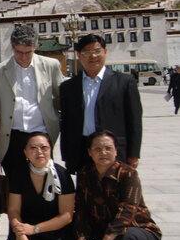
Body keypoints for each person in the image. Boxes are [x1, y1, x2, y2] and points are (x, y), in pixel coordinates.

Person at [74, 130, 161, 240]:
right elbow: (81, 209)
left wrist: (108, 238)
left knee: (126, 239)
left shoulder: (128, 173)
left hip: (138, 230)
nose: (103, 153)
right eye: (97, 149)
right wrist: (81, 239)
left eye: (108, 148)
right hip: (102, 228)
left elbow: (127, 209)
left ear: (116, 150)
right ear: (90, 152)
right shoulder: (85, 174)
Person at [0, 24, 64, 177]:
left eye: (28, 52)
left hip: (41, 135)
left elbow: (59, 98)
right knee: (14, 185)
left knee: (43, 182)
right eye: (18, 52)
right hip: (12, 139)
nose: (23, 57)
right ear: (12, 47)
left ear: (35, 46)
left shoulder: (51, 66)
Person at [60, 34, 142, 173]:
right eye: (87, 52)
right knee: (85, 193)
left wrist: (133, 154)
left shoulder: (124, 82)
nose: (93, 56)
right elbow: (66, 124)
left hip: (113, 151)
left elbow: (134, 120)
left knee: (115, 191)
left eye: (97, 51)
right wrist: (67, 156)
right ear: (79, 55)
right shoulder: (68, 87)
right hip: (82, 151)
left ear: (105, 52)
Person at [6, 132, 76, 240]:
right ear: (25, 152)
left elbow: (66, 216)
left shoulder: (62, 175)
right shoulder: (19, 173)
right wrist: (19, 231)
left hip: (57, 229)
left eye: (44, 147)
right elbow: (13, 209)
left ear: (50, 149)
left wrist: (34, 229)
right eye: (33, 148)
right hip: (27, 226)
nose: (39, 152)